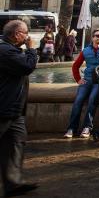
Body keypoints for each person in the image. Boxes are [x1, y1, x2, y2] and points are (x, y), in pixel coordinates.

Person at [0, 20, 39, 196]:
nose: (28, 36)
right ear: (16, 34)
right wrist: (31, 49)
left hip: (15, 111)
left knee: (16, 144)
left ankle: (13, 182)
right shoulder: (5, 50)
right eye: (25, 32)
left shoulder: (12, 50)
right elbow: (27, 66)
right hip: (3, 108)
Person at [65, 29, 99, 138]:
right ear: (92, 37)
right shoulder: (85, 50)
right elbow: (75, 66)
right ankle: (71, 128)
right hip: (87, 80)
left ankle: (87, 127)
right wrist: (78, 79)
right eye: (97, 35)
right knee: (78, 101)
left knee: (92, 100)